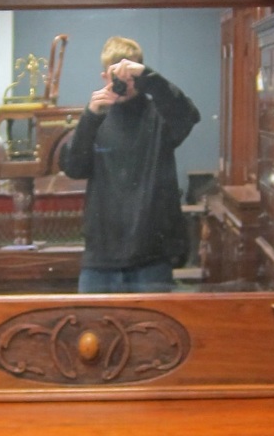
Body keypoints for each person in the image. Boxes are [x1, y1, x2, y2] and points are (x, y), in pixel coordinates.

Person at [60, 35, 200, 293]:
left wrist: (151, 79)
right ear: (105, 77)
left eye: (130, 76)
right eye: (117, 76)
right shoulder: (96, 119)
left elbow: (188, 115)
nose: (124, 83)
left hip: (150, 259)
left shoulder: (159, 117)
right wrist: (90, 117)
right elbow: (73, 167)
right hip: (100, 260)